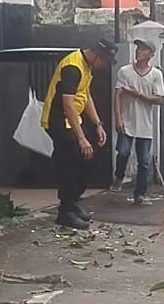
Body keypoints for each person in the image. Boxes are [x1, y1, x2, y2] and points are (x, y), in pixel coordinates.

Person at [41, 40, 114, 229]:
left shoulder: (86, 66)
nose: (104, 65)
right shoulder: (73, 67)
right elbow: (67, 105)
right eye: (104, 61)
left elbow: (85, 96)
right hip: (58, 121)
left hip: (73, 121)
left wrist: (98, 124)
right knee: (71, 162)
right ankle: (65, 211)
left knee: (88, 158)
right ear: (96, 54)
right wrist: (81, 138)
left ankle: (72, 201)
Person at [111, 40, 164, 205]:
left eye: (143, 49)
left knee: (144, 161)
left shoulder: (155, 74)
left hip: (145, 123)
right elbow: (118, 95)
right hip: (127, 120)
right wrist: (118, 118)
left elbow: (160, 99)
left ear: (151, 55)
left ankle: (139, 194)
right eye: (138, 48)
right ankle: (119, 176)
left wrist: (138, 95)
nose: (139, 51)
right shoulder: (125, 71)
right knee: (123, 152)